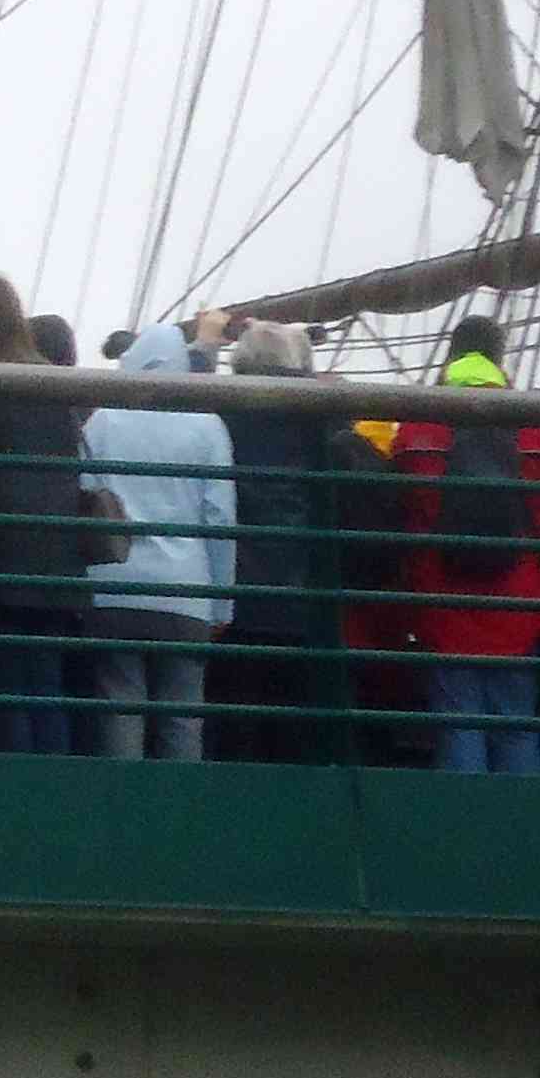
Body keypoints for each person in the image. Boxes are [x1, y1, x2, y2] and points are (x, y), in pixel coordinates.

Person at [390, 319, 540, 772]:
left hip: (443, 598)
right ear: (499, 356)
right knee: (517, 727)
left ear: (451, 355)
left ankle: (466, 818)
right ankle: (518, 817)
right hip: (518, 597)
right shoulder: (536, 427)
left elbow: (398, 503)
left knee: (459, 724)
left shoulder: (418, 427)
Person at [0, 276, 87, 753]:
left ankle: (16, 787)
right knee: (45, 685)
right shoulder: (55, 383)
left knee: (4, 687)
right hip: (57, 556)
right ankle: (55, 784)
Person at [80, 324, 235, 758]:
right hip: (187, 594)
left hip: (114, 587)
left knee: (120, 705)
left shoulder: (104, 420)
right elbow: (220, 518)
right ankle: (179, 799)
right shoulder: (208, 427)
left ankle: (123, 795)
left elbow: (85, 496)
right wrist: (222, 603)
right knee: (182, 714)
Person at [214, 320, 350, 762]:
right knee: (294, 727)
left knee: (233, 719)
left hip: (236, 590)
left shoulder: (221, 410)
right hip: (304, 590)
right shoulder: (322, 414)